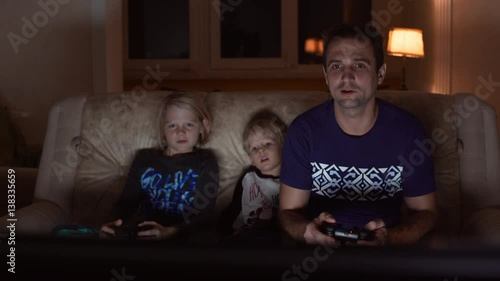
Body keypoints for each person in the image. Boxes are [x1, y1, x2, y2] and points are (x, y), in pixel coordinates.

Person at [278, 23, 438, 247]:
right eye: (336, 66)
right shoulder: (304, 131)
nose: (346, 76)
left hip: (385, 255)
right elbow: (288, 213)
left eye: (359, 65)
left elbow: (426, 213)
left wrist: (390, 239)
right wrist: (307, 231)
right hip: (316, 256)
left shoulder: (409, 132)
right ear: (326, 76)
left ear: (380, 73)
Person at [99, 92, 219, 241]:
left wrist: (169, 232)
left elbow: (203, 217)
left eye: (189, 124)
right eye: (172, 125)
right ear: (163, 129)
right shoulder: (143, 159)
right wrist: (115, 225)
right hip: (144, 235)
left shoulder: (206, 163)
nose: (180, 132)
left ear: (203, 126)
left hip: (184, 239)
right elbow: (127, 203)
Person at [218, 109, 287, 244]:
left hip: (277, 238)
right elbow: (235, 207)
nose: (261, 150)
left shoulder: (292, 178)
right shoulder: (248, 178)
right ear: (251, 159)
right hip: (246, 236)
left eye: (267, 144)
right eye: (254, 149)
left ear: (283, 147)